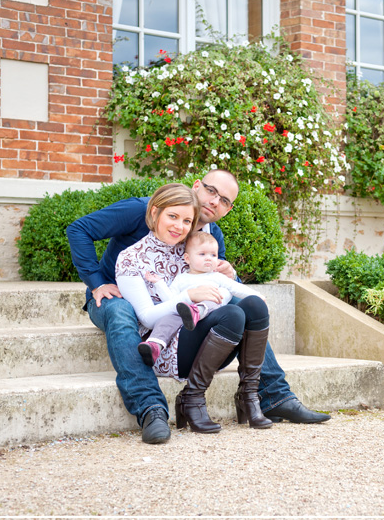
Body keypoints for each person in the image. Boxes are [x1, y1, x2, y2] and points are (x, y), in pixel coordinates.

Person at [66, 169, 330, 444]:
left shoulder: (211, 233)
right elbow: (79, 229)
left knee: (243, 305)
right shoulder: (140, 210)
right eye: (212, 191)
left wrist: (230, 275)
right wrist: (97, 282)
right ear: (196, 186)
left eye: (225, 201)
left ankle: (274, 395)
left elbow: (214, 285)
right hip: (117, 295)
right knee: (121, 312)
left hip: (175, 309)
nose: (215, 202)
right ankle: (150, 407)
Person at [116, 183, 272, 432]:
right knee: (232, 313)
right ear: (155, 212)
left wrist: (228, 275)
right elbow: (146, 318)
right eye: (173, 216)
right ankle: (193, 398)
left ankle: (249, 396)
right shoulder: (131, 258)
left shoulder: (193, 250)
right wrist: (188, 296)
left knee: (253, 304)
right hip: (166, 348)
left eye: (187, 221)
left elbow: (223, 287)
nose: (180, 226)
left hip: (210, 345)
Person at [138, 231, 265, 367]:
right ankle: (155, 345)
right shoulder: (182, 278)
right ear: (187, 258)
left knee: (216, 296)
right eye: (202, 254)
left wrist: (257, 295)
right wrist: (159, 283)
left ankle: (198, 310)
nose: (209, 258)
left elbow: (236, 288)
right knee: (166, 319)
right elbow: (171, 300)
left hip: (210, 317)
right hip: (184, 317)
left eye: (213, 255)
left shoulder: (217, 277)